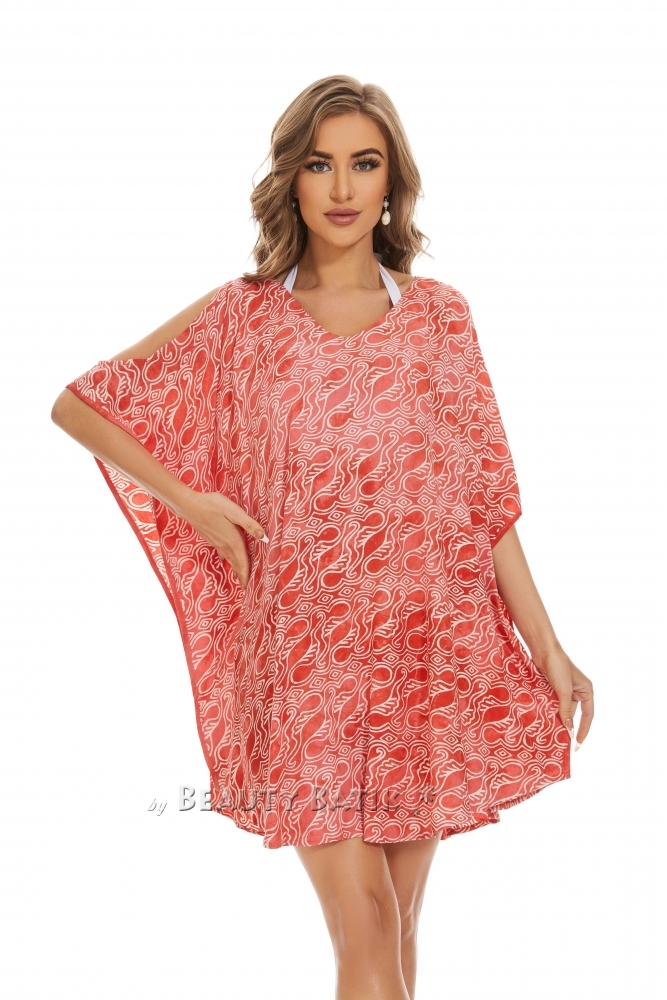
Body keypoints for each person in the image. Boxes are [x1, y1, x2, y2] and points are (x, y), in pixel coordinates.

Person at [51, 75, 594, 1000]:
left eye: (363, 164)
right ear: (291, 181)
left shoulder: (439, 318)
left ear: (391, 184)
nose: (341, 187)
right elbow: (81, 404)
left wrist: (546, 646)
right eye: (318, 164)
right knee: (368, 925)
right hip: (308, 661)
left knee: (398, 929)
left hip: (426, 653)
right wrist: (190, 501)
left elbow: (482, 504)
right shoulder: (242, 317)